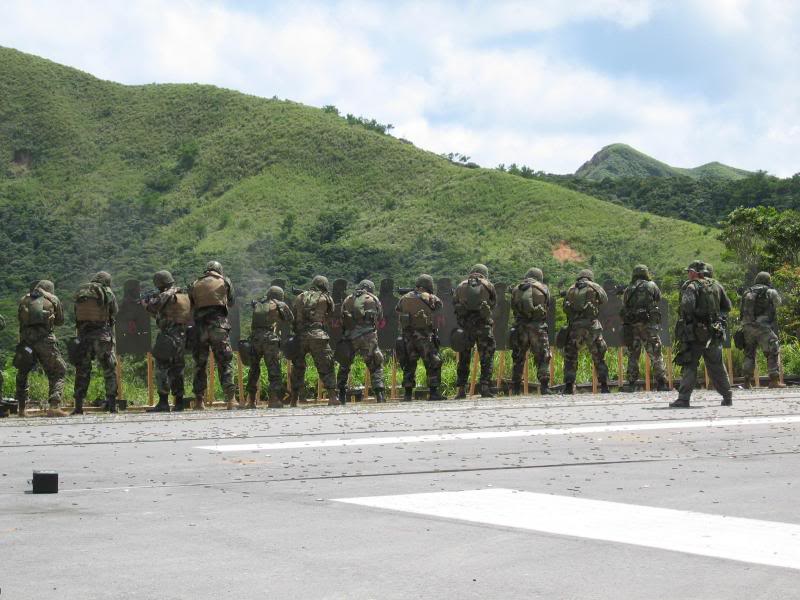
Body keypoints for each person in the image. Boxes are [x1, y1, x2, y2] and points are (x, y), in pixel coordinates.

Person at [671, 260, 733, 407]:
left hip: (695, 334)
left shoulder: (691, 286)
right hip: (714, 333)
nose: (687, 274)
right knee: (716, 365)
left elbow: (687, 307)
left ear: (694, 272)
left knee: (690, 364)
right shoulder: (716, 285)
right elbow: (727, 307)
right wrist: (717, 320)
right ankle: (727, 395)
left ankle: (683, 399)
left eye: (689, 271)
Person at [15, 280, 68, 417]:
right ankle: (54, 406)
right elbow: (60, 321)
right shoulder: (52, 299)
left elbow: (19, 319)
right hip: (46, 342)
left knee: (23, 372)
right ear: (49, 289)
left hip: (26, 342)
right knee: (58, 370)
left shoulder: (24, 299)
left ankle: (21, 409)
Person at [188, 261, 237, 410]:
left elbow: (191, 304)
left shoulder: (195, 283)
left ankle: (199, 401)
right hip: (219, 327)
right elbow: (232, 301)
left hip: (200, 328)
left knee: (199, 364)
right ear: (219, 270)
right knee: (225, 362)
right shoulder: (225, 281)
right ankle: (231, 400)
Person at [143, 270, 191, 412]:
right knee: (178, 369)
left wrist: (145, 304)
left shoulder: (165, 295)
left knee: (161, 369)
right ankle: (179, 402)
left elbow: (152, 307)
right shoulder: (183, 295)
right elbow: (164, 314)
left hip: (168, 337)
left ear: (160, 283)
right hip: (182, 337)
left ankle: (163, 402)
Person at [72, 271, 119, 414]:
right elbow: (114, 311)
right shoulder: (107, 291)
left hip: (83, 337)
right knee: (109, 370)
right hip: (102, 337)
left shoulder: (81, 292)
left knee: (82, 371)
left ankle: (78, 407)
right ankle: (112, 406)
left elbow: (76, 313)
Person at [289, 276, 340, 406]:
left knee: (298, 368)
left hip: (300, 336)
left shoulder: (299, 297)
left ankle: (294, 399)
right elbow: (331, 313)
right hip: (318, 335)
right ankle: (332, 397)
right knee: (326, 365)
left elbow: (293, 316)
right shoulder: (325, 298)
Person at [396, 274, 446, 401]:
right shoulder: (432, 298)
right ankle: (433, 393)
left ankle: (407, 394)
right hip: (425, 338)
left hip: (408, 338)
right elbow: (439, 307)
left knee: (409, 365)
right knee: (432, 363)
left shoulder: (404, 298)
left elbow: (398, 310)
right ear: (429, 285)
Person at [620, 265, 668, 392]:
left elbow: (625, 304)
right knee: (656, 354)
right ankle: (662, 383)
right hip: (649, 326)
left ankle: (631, 383)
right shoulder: (652, 285)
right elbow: (658, 298)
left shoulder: (629, 289)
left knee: (633, 355)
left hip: (633, 326)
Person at [562, 269, 610, 394]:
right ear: (590, 277)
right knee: (599, 356)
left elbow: (565, 307)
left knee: (571, 357)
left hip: (575, 327)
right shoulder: (594, 287)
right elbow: (605, 300)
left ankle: (568, 386)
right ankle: (604, 386)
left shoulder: (571, 289)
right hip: (591, 327)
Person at [337, 280, 385, 403]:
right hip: (368, 337)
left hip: (350, 337)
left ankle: (341, 395)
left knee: (344, 366)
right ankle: (380, 396)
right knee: (375, 365)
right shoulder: (372, 299)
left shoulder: (348, 299)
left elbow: (342, 319)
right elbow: (379, 317)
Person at [453, 264, 497, 398]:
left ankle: (461, 390)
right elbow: (493, 304)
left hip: (466, 327)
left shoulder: (461, 286)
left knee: (464, 358)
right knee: (487, 357)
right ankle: (484, 387)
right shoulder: (488, 285)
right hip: (483, 327)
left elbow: (455, 304)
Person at [246, 286, 293, 408]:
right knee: (274, 370)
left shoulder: (259, 302)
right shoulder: (278, 304)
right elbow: (290, 318)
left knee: (253, 370)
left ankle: (250, 401)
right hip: (269, 340)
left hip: (254, 339)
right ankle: (273, 400)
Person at [509, 268, 552, 395]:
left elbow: (513, 308)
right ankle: (544, 387)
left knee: (518, 358)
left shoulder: (517, 289)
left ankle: (516, 388)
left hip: (520, 327)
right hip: (537, 327)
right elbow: (547, 306)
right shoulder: (543, 288)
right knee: (543, 357)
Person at [740, 271, 784, 389]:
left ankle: (747, 381)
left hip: (747, 327)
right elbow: (778, 303)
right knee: (772, 350)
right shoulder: (770, 291)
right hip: (763, 327)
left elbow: (741, 311)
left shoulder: (747, 292)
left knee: (749, 354)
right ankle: (774, 381)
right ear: (767, 280)